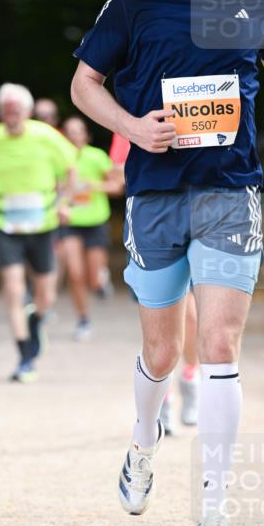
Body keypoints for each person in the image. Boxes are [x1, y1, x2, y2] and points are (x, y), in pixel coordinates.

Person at [71, 0, 264, 526]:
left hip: (230, 191)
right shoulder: (134, 3)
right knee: (163, 352)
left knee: (220, 346)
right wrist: (132, 129)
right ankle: (143, 442)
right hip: (155, 196)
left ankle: (213, 517)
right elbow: (84, 84)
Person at [0, 83, 76, 383]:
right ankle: (25, 357)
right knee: (13, 289)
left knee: (46, 295)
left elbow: (70, 169)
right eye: (6, 111)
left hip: (43, 224)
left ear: (27, 111)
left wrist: (66, 201)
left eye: (16, 111)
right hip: (4, 224)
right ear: (0, 112)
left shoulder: (47, 136)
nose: (11, 116)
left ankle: (36, 321)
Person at [110, 131, 200, 433]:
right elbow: (116, 174)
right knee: (157, 324)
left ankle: (190, 377)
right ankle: (164, 399)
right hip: (152, 221)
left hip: (197, 212)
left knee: (189, 314)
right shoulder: (133, 118)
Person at [57, 115, 124, 340]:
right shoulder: (58, 158)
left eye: (79, 131)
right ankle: (83, 319)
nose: (74, 135)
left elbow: (117, 187)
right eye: (70, 131)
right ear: (63, 135)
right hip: (69, 222)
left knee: (93, 279)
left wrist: (92, 185)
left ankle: (100, 281)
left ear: (86, 135)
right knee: (75, 274)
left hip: (95, 221)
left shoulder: (96, 157)